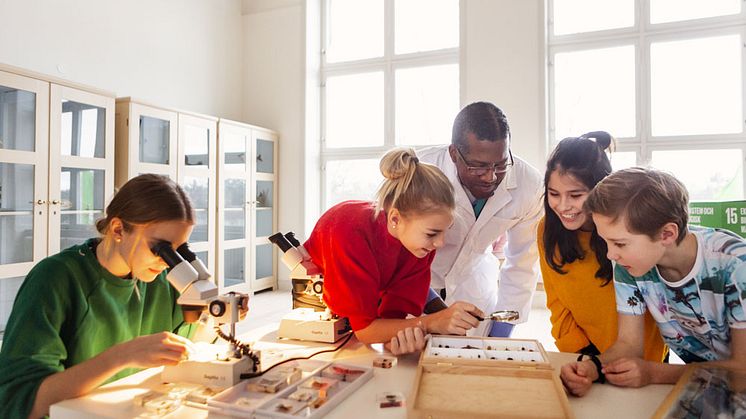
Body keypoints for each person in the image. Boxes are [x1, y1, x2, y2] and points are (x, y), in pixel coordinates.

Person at [0, 174, 205, 418]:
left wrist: (217, 313)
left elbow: (190, 347)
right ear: (118, 229)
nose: (168, 261)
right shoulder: (56, 278)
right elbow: (21, 403)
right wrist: (122, 356)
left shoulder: (164, 279)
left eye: (178, 250)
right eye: (160, 248)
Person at [560, 168, 746, 396]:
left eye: (620, 243)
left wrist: (656, 373)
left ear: (667, 234)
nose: (610, 255)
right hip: (710, 390)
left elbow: (742, 373)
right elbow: (628, 344)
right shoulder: (632, 267)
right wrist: (592, 367)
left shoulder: (736, 265)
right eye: (606, 242)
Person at [304, 148, 484, 354]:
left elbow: (391, 321)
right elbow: (364, 330)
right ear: (395, 219)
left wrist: (401, 337)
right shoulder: (349, 232)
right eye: (432, 233)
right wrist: (432, 322)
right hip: (326, 273)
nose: (440, 243)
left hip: (377, 276)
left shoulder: (419, 247)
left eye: (444, 232)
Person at [418, 102, 544, 336]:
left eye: (501, 164)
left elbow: (522, 263)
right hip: (417, 291)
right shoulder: (421, 170)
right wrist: (434, 307)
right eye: (478, 166)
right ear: (454, 154)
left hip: (475, 295)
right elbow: (394, 250)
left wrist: (501, 331)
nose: (491, 176)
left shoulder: (528, 184)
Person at [539, 132, 666, 361]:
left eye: (575, 195)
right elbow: (557, 303)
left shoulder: (628, 229)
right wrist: (585, 358)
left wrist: (641, 364)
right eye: (554, 194)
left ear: (599, 188)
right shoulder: (547, 231)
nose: (563, 206)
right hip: (585, 354)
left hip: (642, 357)